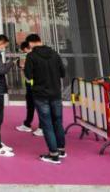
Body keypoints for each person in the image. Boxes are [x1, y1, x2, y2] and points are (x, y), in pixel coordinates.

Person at [24, 33, 67, 165]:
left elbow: (28, 76)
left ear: (30, 43)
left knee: (46, 124)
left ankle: (53, 155)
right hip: (56, 93)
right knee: (58, 122)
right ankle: (61, 150)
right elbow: (63, 73)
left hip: (40, 94)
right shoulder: (55, 54)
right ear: (40, 40)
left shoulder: (31, 56)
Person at [15, 40, 43, 136]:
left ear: (27, 48)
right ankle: (27, 124)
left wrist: (25, 68)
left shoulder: (35, 56)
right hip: (29, 84)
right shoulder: (29, 56)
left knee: (39, 106)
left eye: (24, 51)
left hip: (36, 85)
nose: (24, 53)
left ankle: (42, 127)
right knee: (30, 106)